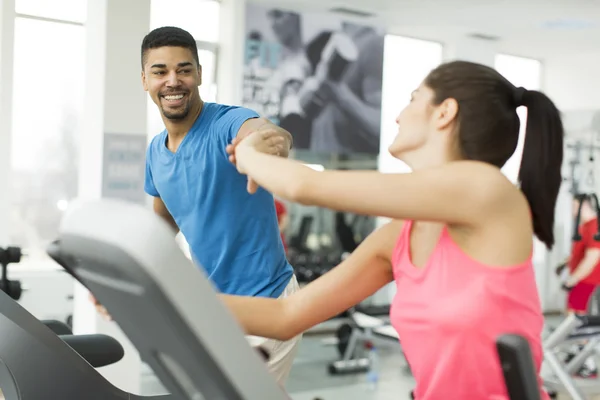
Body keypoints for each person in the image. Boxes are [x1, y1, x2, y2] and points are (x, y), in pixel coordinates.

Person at [221, 60, 563, 399]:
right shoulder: (399, 236)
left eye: (413, 99)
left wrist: (248, 151)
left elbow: (304, 186)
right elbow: (287, 315)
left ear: (444, 112)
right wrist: (183, 303)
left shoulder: (487, 188)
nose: (399, 115)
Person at [95, 26, 303, 385]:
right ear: (145, 79)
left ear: (200, 75)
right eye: (160, 71)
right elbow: (160, 228)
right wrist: (119, 278)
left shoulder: (226, 123)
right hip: (217, 309)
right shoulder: (156, 153)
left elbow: (269, 135)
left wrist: (261, 149)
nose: (173, 80)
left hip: (267, 300)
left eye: (184, 69)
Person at [559, 193, 600, 313]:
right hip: (580, 278)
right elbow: (579, 253)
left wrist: (574, 279)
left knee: (574, 318)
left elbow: (593, 257)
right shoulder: (583, 227)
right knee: (573, 315)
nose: (572, 211)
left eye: (574, 207)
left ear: (584, 206)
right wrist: (564, 264)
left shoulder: (594, 226)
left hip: (586, 279)